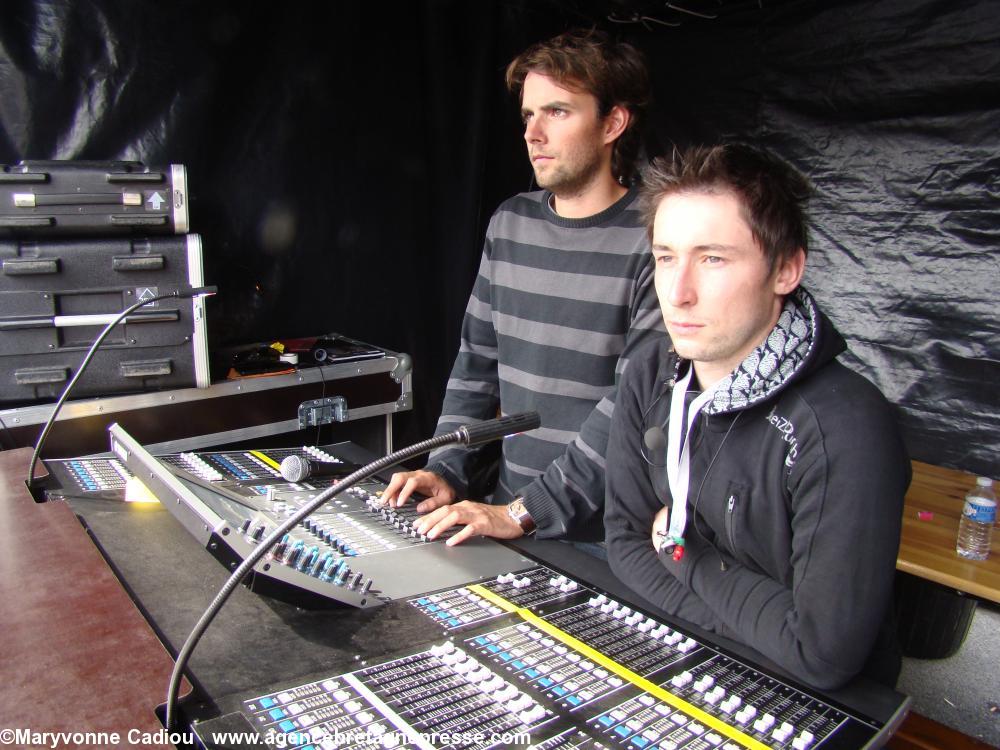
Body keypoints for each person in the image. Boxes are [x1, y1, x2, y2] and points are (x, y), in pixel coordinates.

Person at [604, 143, 909, 690]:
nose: (677, 293)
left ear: (786, 268)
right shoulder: (651, 369)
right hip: (687, 664)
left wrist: (684, 557)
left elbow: (819, 652)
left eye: (713, 258)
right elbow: (624, 540)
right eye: (666, 256)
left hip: (810, 703)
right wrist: (751, 617)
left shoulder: (847, 427)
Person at [381, 29, 664, 546]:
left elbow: (633, 404)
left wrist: (527, 512)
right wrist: (448, 468)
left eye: (557, 112)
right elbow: (476, 366)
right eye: (528, 116)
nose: (533, 133)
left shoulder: (660, 237)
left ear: (613, 123)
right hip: (510, 523)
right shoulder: (509, 223)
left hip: (609, 543)